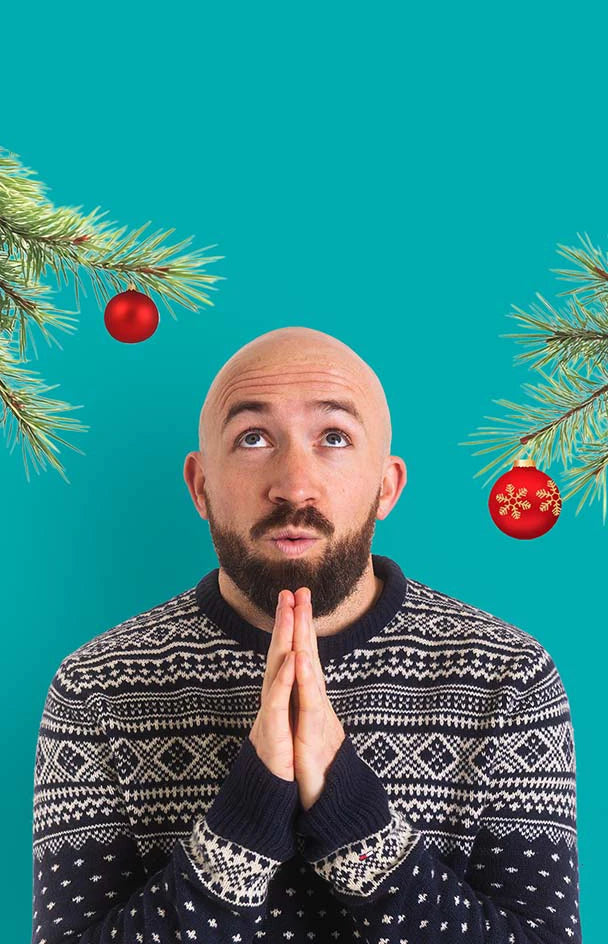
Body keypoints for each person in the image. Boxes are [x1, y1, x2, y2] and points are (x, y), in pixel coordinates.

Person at [31, 326, 582, 942]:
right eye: (253, 438)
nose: (294, 485)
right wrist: (246, 816)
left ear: (387, 487)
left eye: (334, 438)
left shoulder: (507, 676)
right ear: (201, 486)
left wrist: (352, 817)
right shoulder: (97, 688)